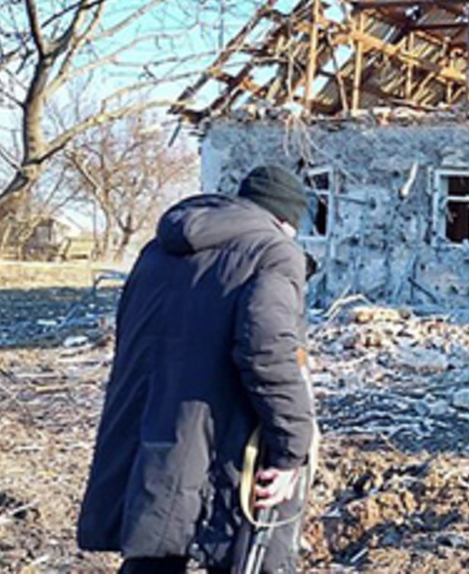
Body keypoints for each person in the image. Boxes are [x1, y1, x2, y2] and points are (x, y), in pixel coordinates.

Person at [78, 165, 317, 574]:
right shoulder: (274, 252)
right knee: (238, 551)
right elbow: (268, 353)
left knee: (154, 550)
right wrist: (291, 449)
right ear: (284, 219)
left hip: (150, 435)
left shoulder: (157, 251)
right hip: (222, 442)